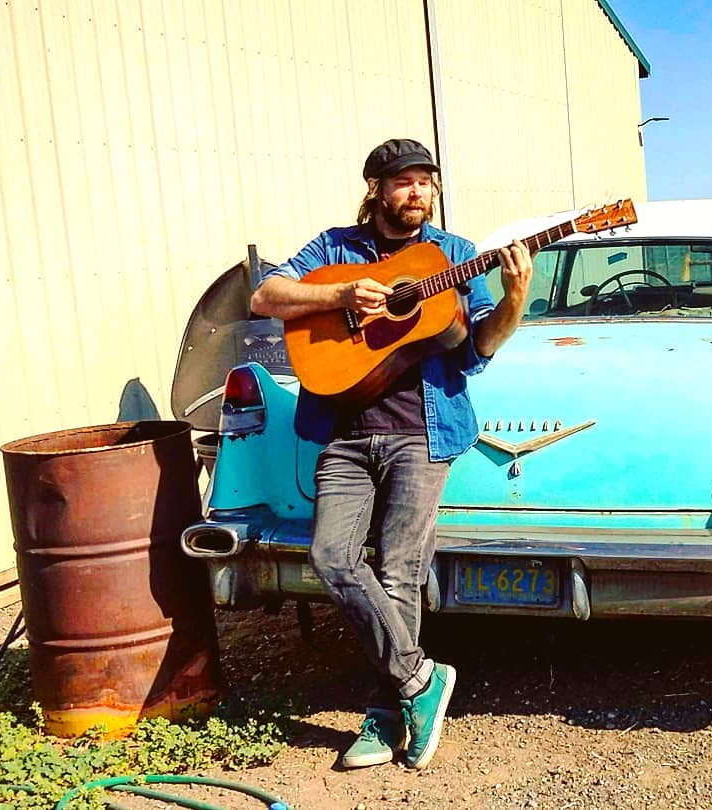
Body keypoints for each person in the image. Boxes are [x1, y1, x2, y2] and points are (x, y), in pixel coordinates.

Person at [250, 138, 533, 770]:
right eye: (404, 182)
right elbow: (266, 296)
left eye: (426, 182)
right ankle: (420, 682)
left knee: (400, 570)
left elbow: (478, 348)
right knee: (330, 555)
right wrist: (342, 296)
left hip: (421, 433)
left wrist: (513, 299)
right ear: (375, 188)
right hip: (346, 432)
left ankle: (386, 713)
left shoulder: (456, 257)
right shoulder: (334, 249)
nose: (418, 193)